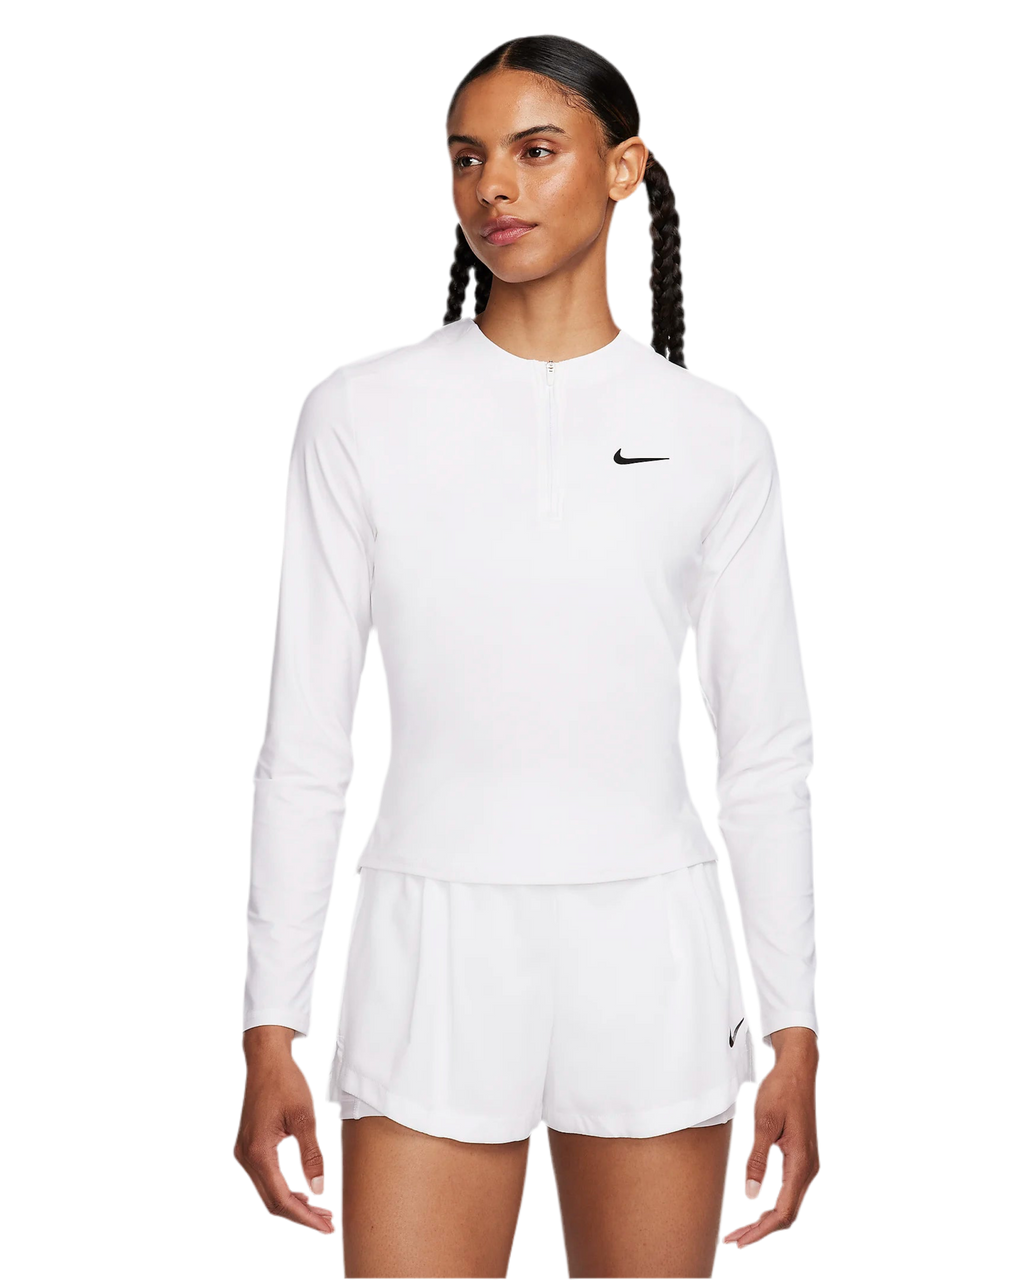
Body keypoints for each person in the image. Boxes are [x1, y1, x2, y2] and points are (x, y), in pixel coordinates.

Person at [232, 32, 823, 1279]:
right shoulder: (357, 412)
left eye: (535, 150)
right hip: (427, 940)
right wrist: (268, 1022)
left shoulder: (716, 434)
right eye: (465, 158)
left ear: (624, 168)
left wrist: (794, 1026)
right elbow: (304, 745)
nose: (492, 185)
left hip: (651, 942)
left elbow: (765, 757)